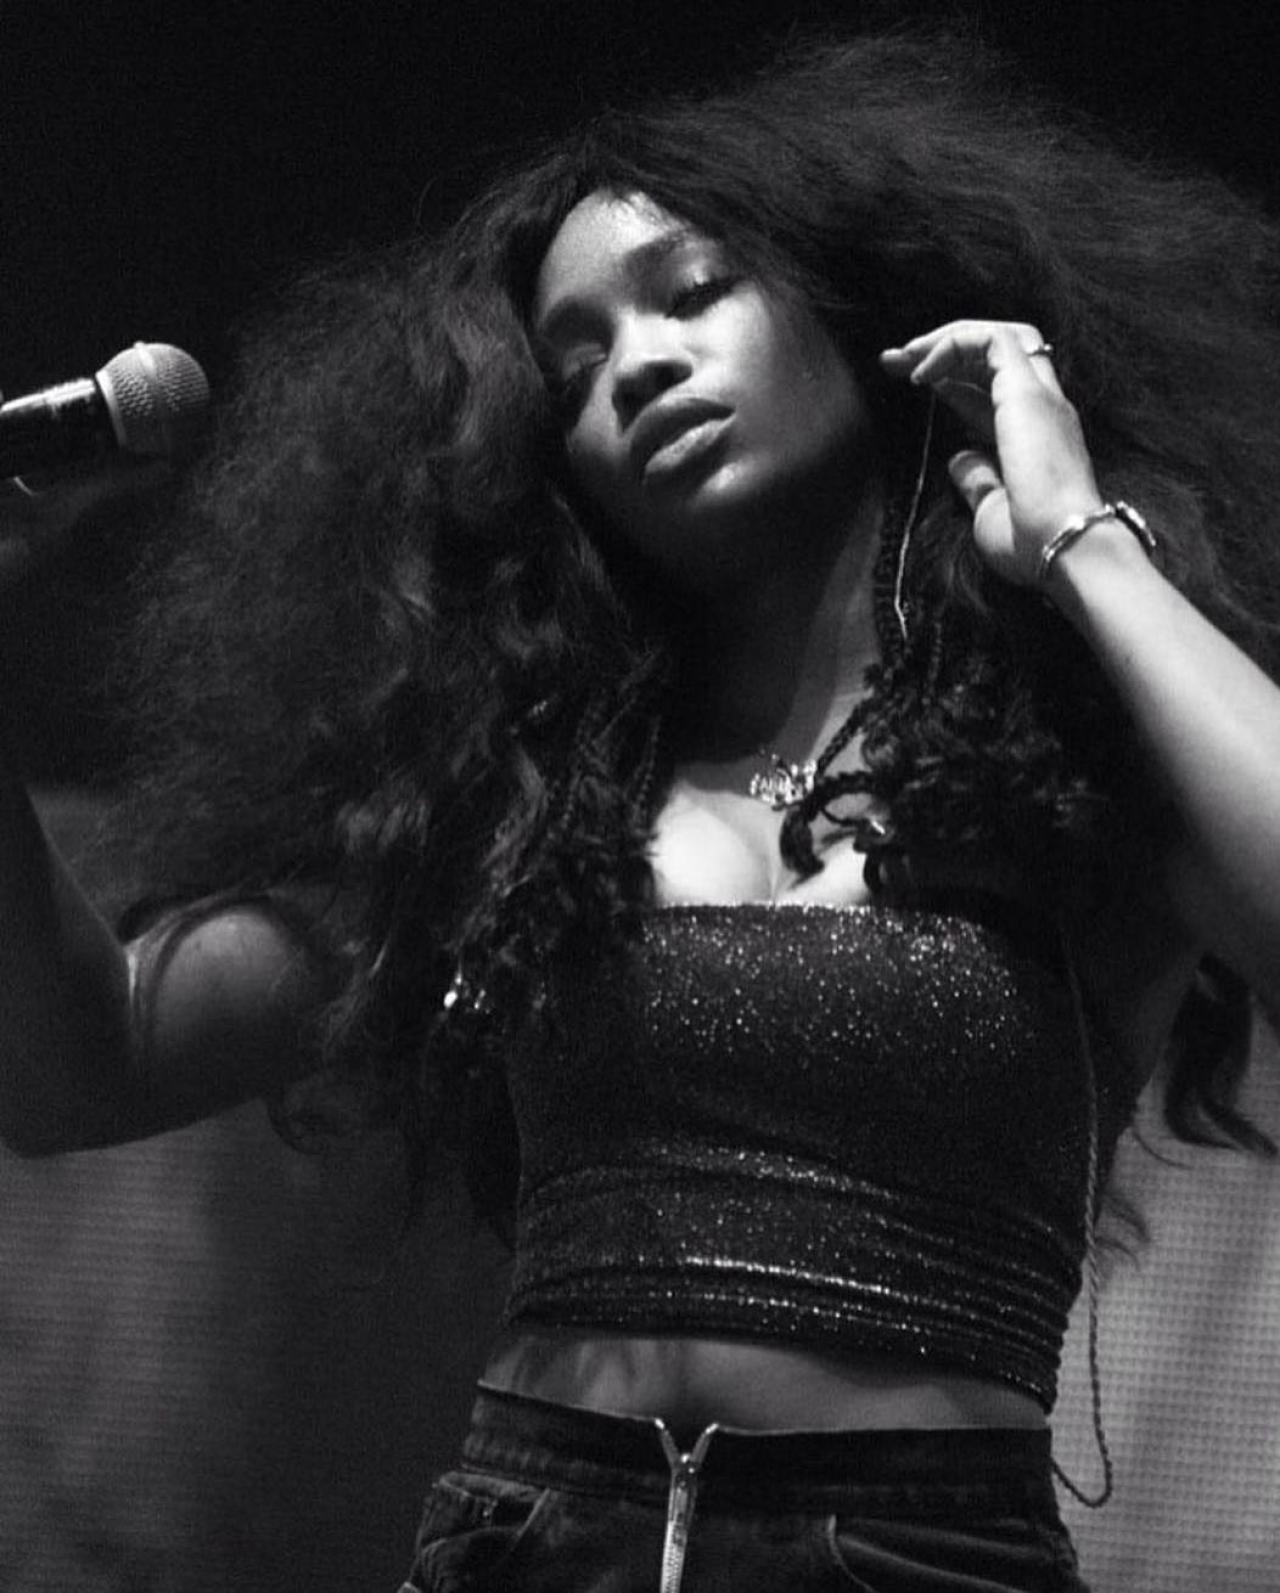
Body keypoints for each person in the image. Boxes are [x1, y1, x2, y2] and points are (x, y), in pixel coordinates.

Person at [4, 30, 1280, 1593]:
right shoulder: (521, 798)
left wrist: (1082, 541)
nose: (641, 369)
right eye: (576, 370)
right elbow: (77, 1063)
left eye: (691, 294)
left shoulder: (1066, 755)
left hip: (920, 1555)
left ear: (862, 312)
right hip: (532, 1541)